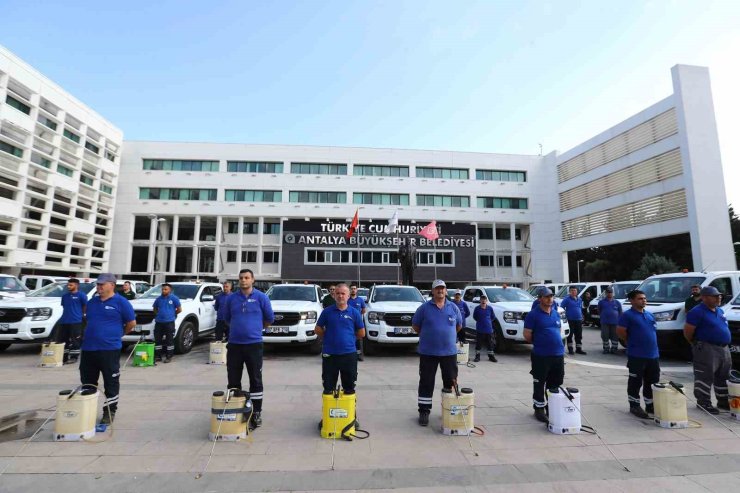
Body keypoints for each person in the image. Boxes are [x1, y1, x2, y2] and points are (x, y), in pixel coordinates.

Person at [80, 273, 136, 425]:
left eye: (102, 284)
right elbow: (88, 320)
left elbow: (131, 323)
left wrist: (119, 334)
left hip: (109, 349)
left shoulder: (121, 302)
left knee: (111, 381)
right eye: (97, 285)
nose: (99, 287)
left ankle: (109, 411)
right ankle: (87, 411)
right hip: (89, 349)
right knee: (88, 382)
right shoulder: (92, 302)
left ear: (112, 285)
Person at [224, 268, 275, 428]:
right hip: (234, 345)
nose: (243, 280)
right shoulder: (231, 299)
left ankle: (256, 412)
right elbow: (227, 318)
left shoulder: (261, 298)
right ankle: (236, 408)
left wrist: (254, 329)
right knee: (233, 379)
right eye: (241, 278)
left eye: (246, 278)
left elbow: (269, 319)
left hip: (254, 345)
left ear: (252, 280)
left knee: (255, 379)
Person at [412, 279, 463, 426]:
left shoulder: (453, 308)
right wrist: (430, 336)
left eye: (443, 288)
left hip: (449, 353)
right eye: (437, 289)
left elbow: (458, 326)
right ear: (432, 291)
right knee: (426, 382)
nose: (440, 291)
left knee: (450, 382)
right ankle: (424, 411)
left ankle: (448, 409)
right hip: (428, 352)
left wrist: (446, 336)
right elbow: (416, 326)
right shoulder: (424, 308)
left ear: (446, 291)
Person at [684, 286, 732, 414]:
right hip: (707, 348)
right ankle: (704, 402)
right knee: (705, 375)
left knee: (723, 376)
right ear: (704, 298)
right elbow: (688, 331)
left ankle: (723, 401)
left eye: (719, 295)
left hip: (723, 348)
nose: (719, 297)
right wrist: (695, 344)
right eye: (715, 296)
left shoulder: (720, 311)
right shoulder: (697, 312)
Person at [523, 288, 565, 423]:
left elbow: (558, 330)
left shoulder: (555, 313)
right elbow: (527, 335)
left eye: (551, 296)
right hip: (541, 356)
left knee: (555, 383)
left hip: (558, 355)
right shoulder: (533, 315)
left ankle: (552, 407)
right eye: (546, 297)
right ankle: (539, 408)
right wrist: (541, 342)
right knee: (539, 382)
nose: (550, 299)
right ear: (540, 298)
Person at [616, 290, 660, 419]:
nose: (644, 300)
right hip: (637, 355)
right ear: (632, 300)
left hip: (653, 355)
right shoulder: (627, 316)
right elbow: (621, 332)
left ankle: (650, 405)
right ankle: (634, 405)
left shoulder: (650, 315)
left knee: (652, 382)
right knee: (635, 381)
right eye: (640, 298)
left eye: (645, 298)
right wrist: (632, 342)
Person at [315, 283, 365, 394]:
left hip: (349, 354)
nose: (340, 296)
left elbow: (361, 333)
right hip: (330, 354)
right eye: (338, 293)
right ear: (334, 295)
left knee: (349, 387)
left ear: (348, 296)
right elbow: (317, 329)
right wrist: (328, 337)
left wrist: (349, 339)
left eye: (343, 293)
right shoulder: (327, 312)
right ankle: (329, 410)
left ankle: (349, 410)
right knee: (328, 388)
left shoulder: (354, 313)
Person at [57, 278, 87, 364]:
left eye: (71, 285)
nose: (68, 286)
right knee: (63, 339)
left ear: (76, 285)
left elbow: (85, 306)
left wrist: (83, 315)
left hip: (76, 321)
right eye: (68, 285)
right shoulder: (65, 296)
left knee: (75, 339)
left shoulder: (81, 295)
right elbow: (64, 306)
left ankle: (74, 357)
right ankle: (64, 357)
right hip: (64, 321)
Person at [152, 283, 181, 363]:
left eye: (165, 289)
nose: (163, 291)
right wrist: (158, 314)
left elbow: (179, 309)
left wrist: (173, 314)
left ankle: (169, 356)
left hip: (169, 322)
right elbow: (154, 308)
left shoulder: (174, 298)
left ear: (170, 290)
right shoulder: (158, 299)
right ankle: (158, 356)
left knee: (169, 340)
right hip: (159, 322)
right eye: (162, 289)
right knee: (158, 340)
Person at [560, 287, 586, 355]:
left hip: (578, 320)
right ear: (570, 292)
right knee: (570, 335)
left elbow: (580, 308)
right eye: (572, 291)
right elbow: (561, 308)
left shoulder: (579, 299)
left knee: (579, 335)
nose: (573, 292)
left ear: (577, 291)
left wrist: (582, 315)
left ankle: (579, 349)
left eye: (575, 290)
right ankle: (570, 349)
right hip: (570, 320)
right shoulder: (566, 300)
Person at [472, 294, 496, 362]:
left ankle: (491, 356)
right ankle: (477, 356)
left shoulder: (490, 308)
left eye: (484, 299)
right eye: (482, 299)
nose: (483, 300)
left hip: (489, 330)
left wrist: (487, 322)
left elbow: (493, 317)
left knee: (490, 344)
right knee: (478, 344)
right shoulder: (477, 308)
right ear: (480, 300)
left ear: (486, 300)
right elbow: (475, 317)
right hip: (480, 329)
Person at [598, 287, 623, 354]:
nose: (609, 294)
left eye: (611, 292)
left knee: (615, 336)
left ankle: (614, 349)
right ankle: (606, 348)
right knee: (605, 335)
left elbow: (620, 312)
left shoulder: (617, 302)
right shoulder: (601, 302)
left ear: (613, 293)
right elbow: (599, 311)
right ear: (606, 293)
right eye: (608, 292)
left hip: (615, 323)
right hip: (605, 322)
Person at [347, 284, 367, 361]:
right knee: (350, 338)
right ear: (349, 290)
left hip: (358, 323)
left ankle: (359, 355)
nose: (353, 290)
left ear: (356, 290)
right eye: (351, 288)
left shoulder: (360, 300)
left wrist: (358, 316)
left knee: (359, 339)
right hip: (349, 322)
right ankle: (350, 355)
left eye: (354, 288)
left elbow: (364, 310)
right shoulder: (347, 300)